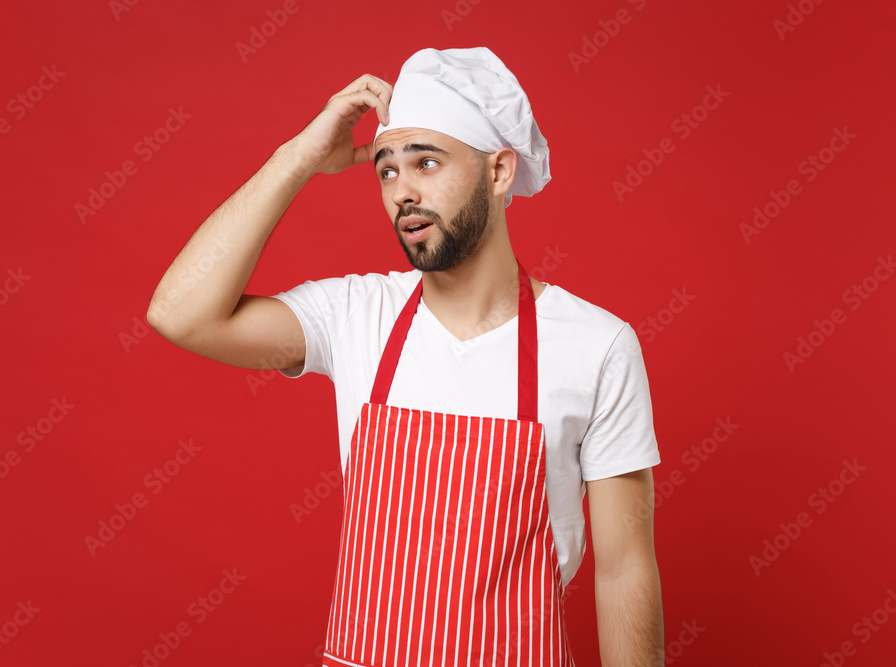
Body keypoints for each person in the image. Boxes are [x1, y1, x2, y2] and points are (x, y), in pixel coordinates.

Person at [147, 47, 663, 667]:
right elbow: (180, 314)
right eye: (387, 170)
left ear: (499, 173)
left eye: (427, 162)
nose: (402, 192)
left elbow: (624, 569)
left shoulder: (597, 345)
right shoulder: (355, 315)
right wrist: (298, 159)